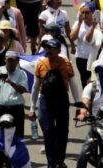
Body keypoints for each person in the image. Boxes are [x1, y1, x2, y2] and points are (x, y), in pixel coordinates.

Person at [29, 37, 80, 168]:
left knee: (63, 132)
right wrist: (32, 108)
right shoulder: (40, 64)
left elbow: (73, 84)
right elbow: (35, 87)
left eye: (51, 48)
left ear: (58, 50)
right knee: (48, 131)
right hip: (46, 100)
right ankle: (51, 163)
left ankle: (60, 160)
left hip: (62, 99)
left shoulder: (66, 63)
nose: (48, 50)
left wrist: (78, 103)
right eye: (47, 48)